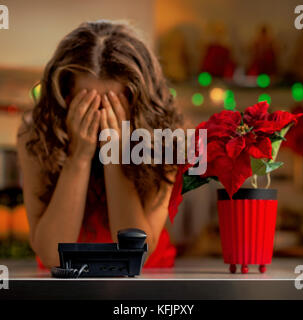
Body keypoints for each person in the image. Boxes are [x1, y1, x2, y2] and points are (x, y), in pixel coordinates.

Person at [16, 20, 183, 269]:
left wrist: (114, 156)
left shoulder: (164, 138)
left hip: (144, 282)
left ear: (138, 104)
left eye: (113, 107)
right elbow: (53, 256)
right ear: (65, 97)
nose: (102, 118)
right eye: (88, 105)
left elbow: (135, 253)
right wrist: (78, 157)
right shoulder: (36, 133)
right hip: (64, 286)